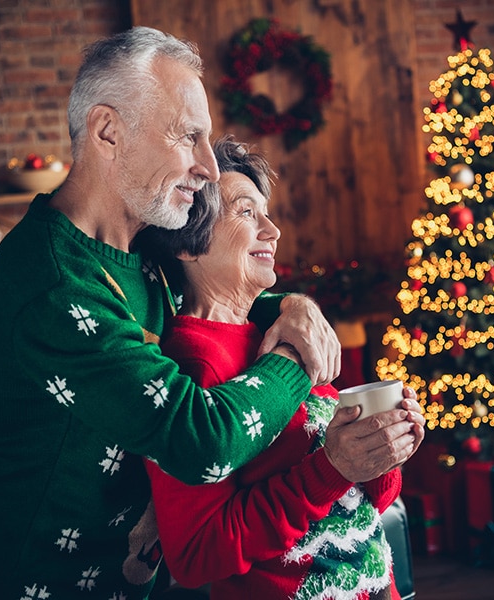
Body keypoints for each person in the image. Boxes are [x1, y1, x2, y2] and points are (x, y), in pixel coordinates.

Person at [0, 27, 421, 600]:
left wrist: (289, 304)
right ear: (108, 132)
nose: (207, 166)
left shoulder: (139, 251)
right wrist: (296, 355)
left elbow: (214, 296)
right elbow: (200, 442)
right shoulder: (51, 282)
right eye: (187, 136)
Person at [141, 136, 419, 600]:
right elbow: (195, 556)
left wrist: (383, 451)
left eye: (266, 213)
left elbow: (366, 499)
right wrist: (333, 468)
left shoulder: (287, 332)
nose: (272, 230)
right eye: (246, 212)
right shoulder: (189, 363)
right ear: (187, 243)